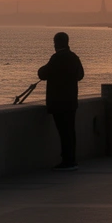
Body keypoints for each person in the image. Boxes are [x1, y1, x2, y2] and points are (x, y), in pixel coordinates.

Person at [38, 32, 85, 170]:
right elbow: (80, 75)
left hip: (58, 102)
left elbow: (43, 74)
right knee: (70, 131)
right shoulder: (74, 57)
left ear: (56, 43)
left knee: (63, 131)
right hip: (71, 101)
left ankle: (67, 161)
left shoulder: (56, 58)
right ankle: (71, 159)